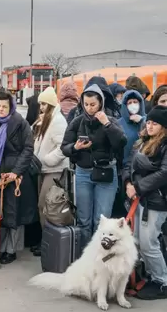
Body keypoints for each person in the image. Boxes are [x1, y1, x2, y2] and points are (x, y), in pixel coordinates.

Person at [61, 84, 127, 247]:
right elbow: (64, 147)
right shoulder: (77, 122)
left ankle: (100, 255)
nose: (89, 108)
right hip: (83, 173)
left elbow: (121, 143)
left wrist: (107, 124)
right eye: (86, 104)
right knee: (84, 220)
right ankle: (85, 257)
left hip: (106, 174)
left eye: (93, 104)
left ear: (101, 104)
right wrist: (75, 147)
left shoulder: (110, 120)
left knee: (101, 220)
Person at [0, 91, 37, 264]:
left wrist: (16, 171)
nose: (1, 109)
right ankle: (0, 247)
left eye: (4, 106)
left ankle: (11, 249)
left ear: (11, 107)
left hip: (16, 175)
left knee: (14, 212)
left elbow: (28, 149)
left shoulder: (21, 124)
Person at [123, 105, 167, 300]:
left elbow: (164, 173)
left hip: (156, 200)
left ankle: (163, 281)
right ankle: (153, 277)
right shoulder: (143, 141)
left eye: (154, 123)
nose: (149, 126)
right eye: (148, 122)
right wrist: (128, 184)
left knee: (150, 243)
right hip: (140, 198)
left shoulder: (165, 145)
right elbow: (129, 164)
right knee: (140, 242)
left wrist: (138, 187)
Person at [33, 87, 69, 228]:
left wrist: (48, 159)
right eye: (40, 104)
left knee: (47, 205)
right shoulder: (47, 120)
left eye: (44, 104)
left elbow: (62, 147)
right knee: (44, 205)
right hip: (45, 168)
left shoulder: (58, 121)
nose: (41, 107)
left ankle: (48, 240)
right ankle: (45, 240)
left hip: (54, 169)